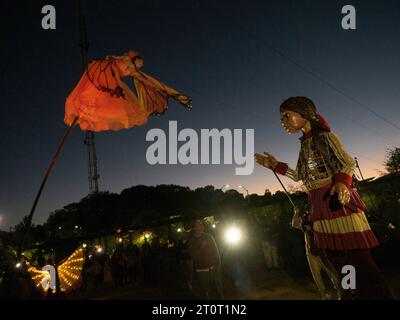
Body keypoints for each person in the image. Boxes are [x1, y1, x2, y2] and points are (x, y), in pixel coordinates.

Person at [255, 96, 393, 299]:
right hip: (320, 206)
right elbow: (302, 176)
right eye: (281, 118)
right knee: (336, 259)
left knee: (358, 259)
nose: (282, 121)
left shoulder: (327, 138)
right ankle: (352, 293)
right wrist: (275, 165)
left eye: (286, 116)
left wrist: (341, 183)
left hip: (338, 204)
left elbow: (347, 163)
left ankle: (378, 295)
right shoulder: (304, 145)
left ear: (303, 113)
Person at [65, 50, 191, 132]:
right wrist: (113, 87)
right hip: (104, 73)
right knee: (90, 95)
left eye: (135, 68)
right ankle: (80, 108)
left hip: (111, 82)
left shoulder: (133, 71)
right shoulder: (119, 60)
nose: (131, 70)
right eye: (133, 65)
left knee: (106, 105)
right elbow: (111, 60)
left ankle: (83, 112)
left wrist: (177, 96)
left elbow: (153, 82)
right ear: (129, 59)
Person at [188, 220, 224, 299]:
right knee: (205, 292)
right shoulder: (192, 241)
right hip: (201, 271)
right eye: (198, 225)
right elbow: (194, 257)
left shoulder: (209, 236)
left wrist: (218, 266)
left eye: (201, 224)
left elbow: (216, 252)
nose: (201, 226)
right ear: (194, 228)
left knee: (218, 290)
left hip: (213, 268)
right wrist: (201, 247)